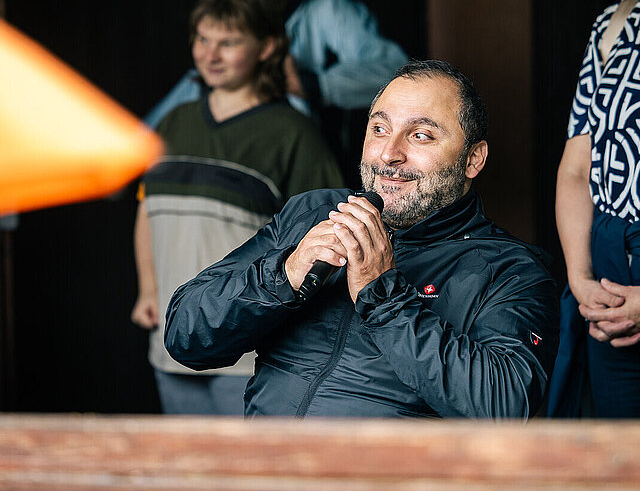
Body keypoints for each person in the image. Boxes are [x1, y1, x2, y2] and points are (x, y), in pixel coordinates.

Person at [164, 59, 559, 419]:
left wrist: (382, 295)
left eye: (420, 135)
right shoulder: (314, 213)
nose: (389, 153)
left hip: (382, 490)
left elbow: (505, 406)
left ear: (473, 158)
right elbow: (186, 335)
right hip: (269, 475)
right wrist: (285, 275)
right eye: (379, 128)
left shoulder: (511, 269)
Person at [131, 0, 344, 415]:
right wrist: (148, 289)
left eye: (228, 42)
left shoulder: (293, 134)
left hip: (251, 352)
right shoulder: (174, 122)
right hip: (172, 341)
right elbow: (147, 213)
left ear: (267, 47)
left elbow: (328, 238)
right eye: (202, 39)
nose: (210, 54)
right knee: (187, 477)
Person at [144, 0, 408, 176]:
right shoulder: (228, 30)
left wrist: (310, 85)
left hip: (309, 178)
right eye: (205, 41)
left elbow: (393, 72)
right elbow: (150, 133)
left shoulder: (326, 9)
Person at [548, 0, 640, 418]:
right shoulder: (616, 22)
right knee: (620, 446)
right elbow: (576, 169)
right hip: (609, 258)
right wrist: (580, 276)